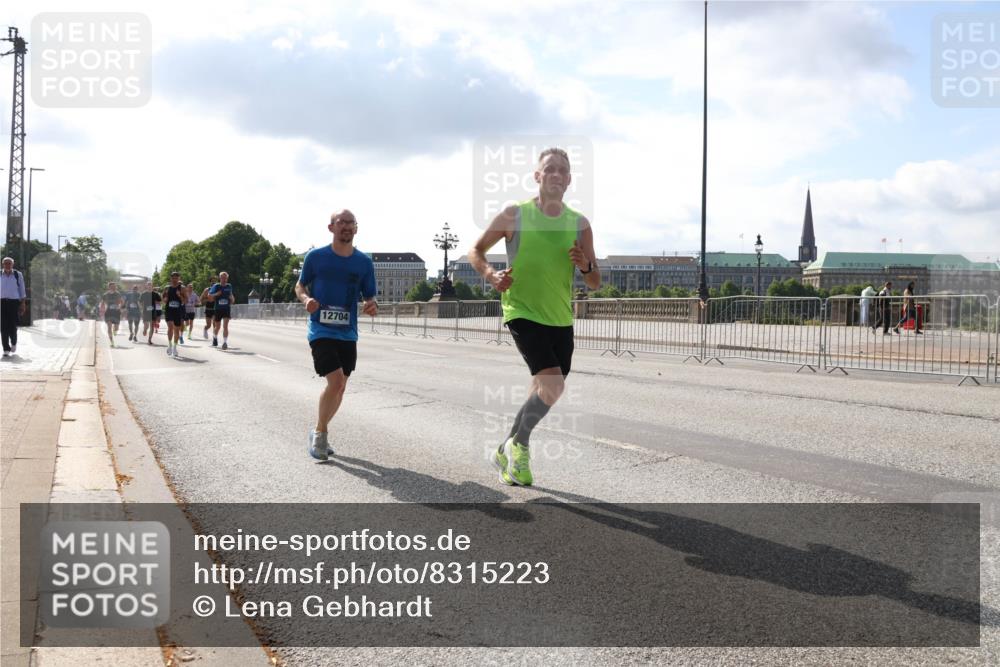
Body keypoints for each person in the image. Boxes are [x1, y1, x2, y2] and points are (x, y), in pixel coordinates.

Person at [469, 147, 601, 486]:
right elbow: (476, 250)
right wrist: (491, 276)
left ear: (569, 181)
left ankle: (504, 449)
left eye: (563, 171)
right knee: (554, 384)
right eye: (550, 169)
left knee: (545, 389)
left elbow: (595, 281)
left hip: (560, 317)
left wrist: (584, 264)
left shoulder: (579, 224)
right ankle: (521, 448)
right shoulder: (514, 215)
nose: (556, 174)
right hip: (522, 310)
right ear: (537, 176)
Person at [294, 209, 377, 461]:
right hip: (320, 329)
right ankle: (320, 434)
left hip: (348, 332)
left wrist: (371, 304)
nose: (347, 227)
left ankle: (320, 429)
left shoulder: (364, 262)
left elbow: (369, 295)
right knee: (336, 382)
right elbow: (299, 285)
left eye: (351, 223)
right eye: (341, 222)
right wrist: (306, 299)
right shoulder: (316, 257)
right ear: (331, 228)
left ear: (356, 228)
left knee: (341, 388)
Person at [1, 257, 27, 357]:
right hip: (1, 302)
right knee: (3, 326)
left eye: (9, 263)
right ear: (2, 264)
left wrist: (23, 303)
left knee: (13, 325)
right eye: (5, 263)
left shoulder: (17, 274)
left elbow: (22, 289)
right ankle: (6, 348)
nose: (7, 265)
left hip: (13, 302)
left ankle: (14, 342)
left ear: (12, 264)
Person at [207, 272, 234, 349]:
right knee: (217, 327)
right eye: (222, 277)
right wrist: (216, 294)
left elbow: (231, 294)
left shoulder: (229, 286)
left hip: (226, 308)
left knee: (225, 326)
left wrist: (232, 298)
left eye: (225, 278)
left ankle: (225, 342)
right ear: (220, 278)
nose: (224, 279)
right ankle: (215, 337)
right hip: (218, 309)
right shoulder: (216, 286)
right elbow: (209, 296)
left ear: (227, 278)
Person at [163, 272, 186, 357]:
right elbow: (164, 300)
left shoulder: (182, 288)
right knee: (170, 327)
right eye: (173, 277)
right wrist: (165, 299)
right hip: (169, 310)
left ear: (179, 278)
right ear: (171, 278)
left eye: (176, 278)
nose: (175, 279)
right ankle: (169, 345)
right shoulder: (167, 288)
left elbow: (185, 301)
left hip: (178, 311)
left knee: (176, 330)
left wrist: (179, 296)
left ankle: (175, 347)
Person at [100, 282, 124, 348]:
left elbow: (122, 302)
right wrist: (102, 310)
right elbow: (102, 303)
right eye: (112, 286)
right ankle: (112, 342)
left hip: (116, 312)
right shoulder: (105, 295)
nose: (114, 287)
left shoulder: (118, 294)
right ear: (109, 287)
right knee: (109, 327)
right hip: (108, 312)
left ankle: (115, 330)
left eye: (114, 286)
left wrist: (119, 307)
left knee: (116, 328)